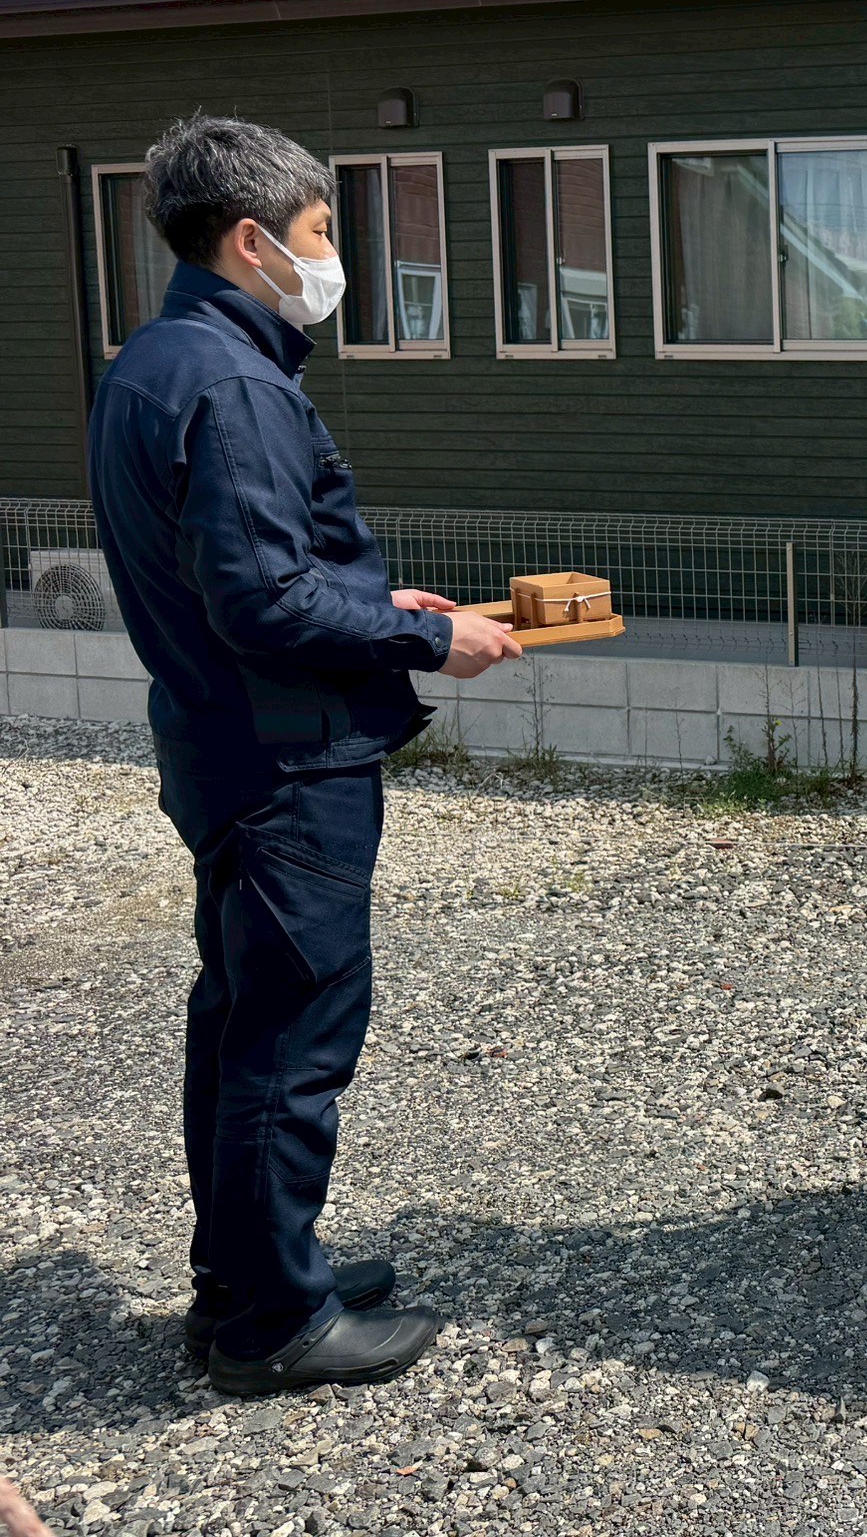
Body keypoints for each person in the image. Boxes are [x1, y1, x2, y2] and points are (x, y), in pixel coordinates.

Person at [87, 115, 522, 1395]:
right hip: (288, 762)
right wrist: (420, 643)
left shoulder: (160, 361)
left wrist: (401, 609)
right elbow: (266, 600)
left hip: (222, 744)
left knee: (236, 1021)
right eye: (325, 233)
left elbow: (253, 575)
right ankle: (274, 1321)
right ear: (253, 241)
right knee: (290, 1036)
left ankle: (250, 1271)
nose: (334, 259)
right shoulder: (234, 382)